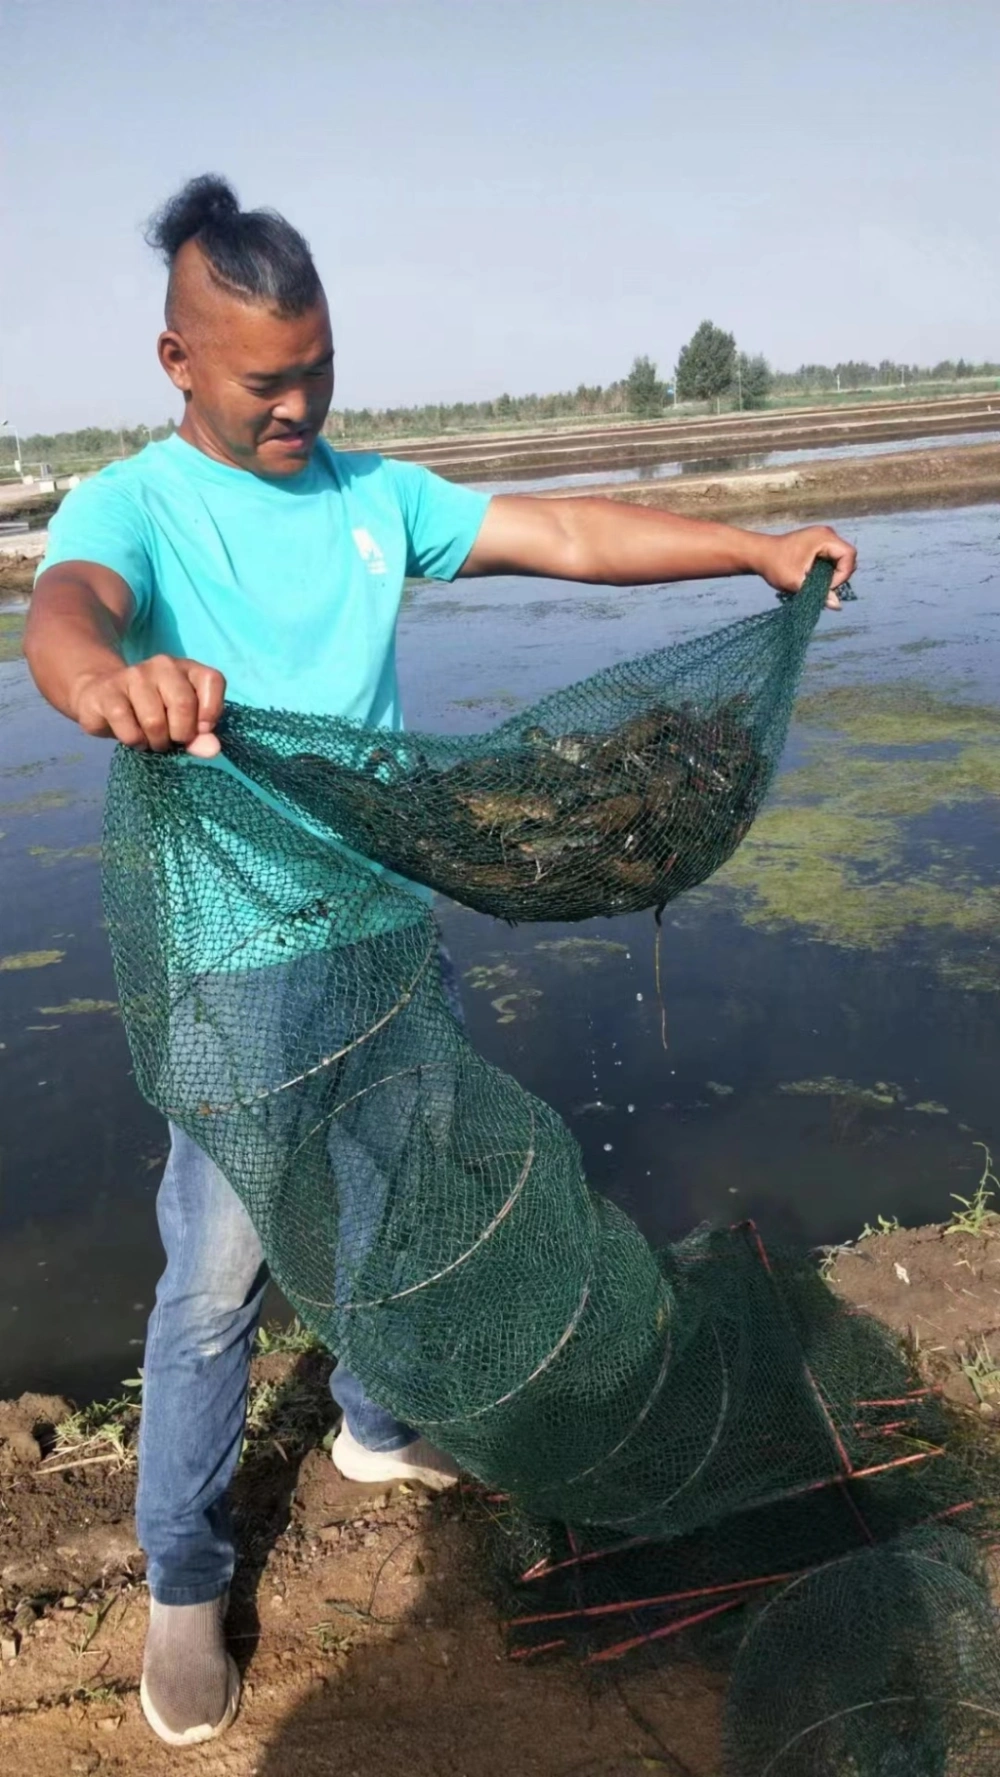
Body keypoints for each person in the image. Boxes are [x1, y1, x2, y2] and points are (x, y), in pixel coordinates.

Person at [25, 174, 857, 1749]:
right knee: (211, 1291)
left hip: (386, 939)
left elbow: (564, 531)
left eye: (318, 369)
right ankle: (187, 1588)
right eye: (264, 379)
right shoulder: (132, 506)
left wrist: (749, 547)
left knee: (407, 1204)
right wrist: (98, 687)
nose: (297, 405)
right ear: (176, 361)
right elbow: (69, 609)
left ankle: (377, 1422)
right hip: (237, 987)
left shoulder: (367, 493)